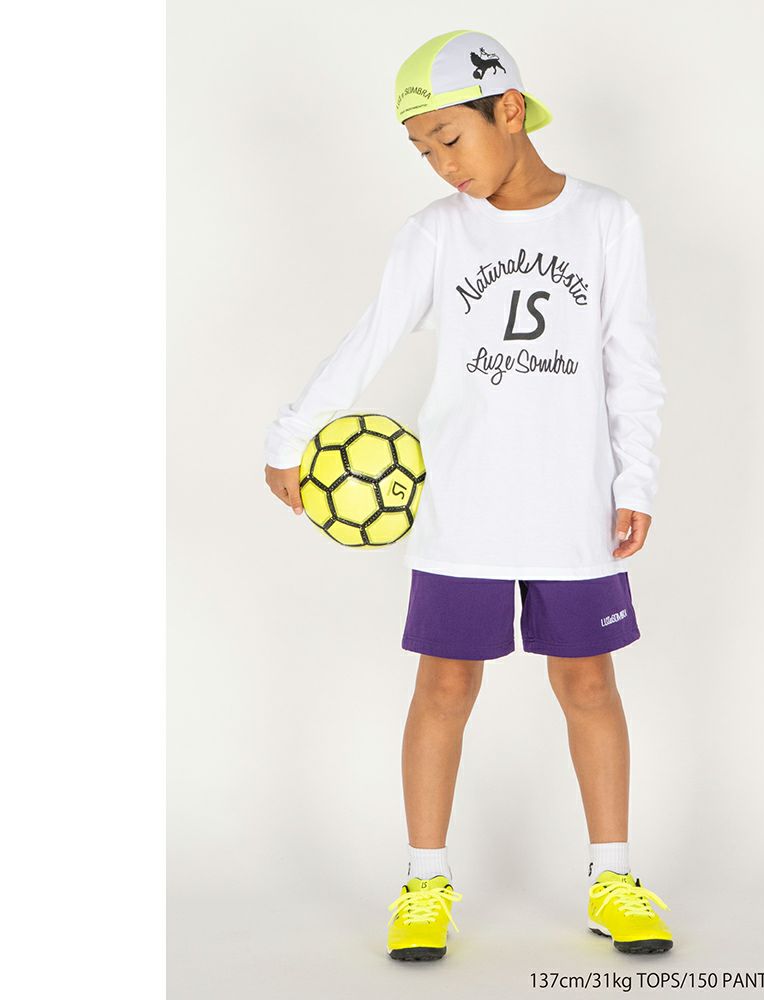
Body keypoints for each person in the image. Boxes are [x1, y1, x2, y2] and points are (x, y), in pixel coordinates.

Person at [263, 29, 672, 961]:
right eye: (423, 151)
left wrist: (636, 477)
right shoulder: (436, 234)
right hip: (464, 505)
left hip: (573, 504)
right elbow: (371, 339)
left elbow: (632, 362)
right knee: (444, 686)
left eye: (451, 138)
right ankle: (424, 881)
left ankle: (613, 876)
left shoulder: (606, 220)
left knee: (589, 682)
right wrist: (290, 434)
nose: (443, 165)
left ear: (510, 110)